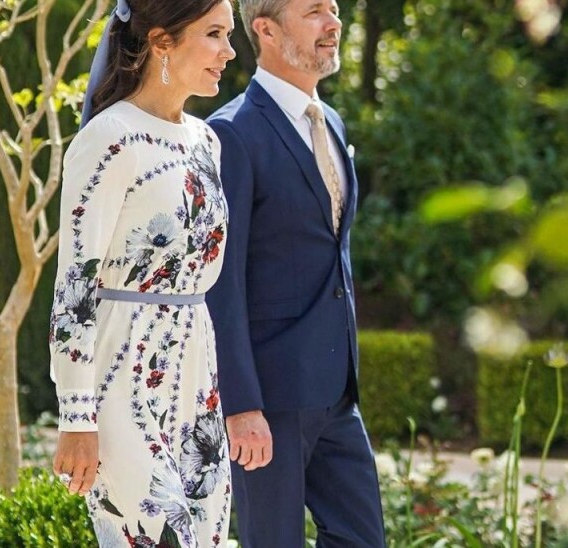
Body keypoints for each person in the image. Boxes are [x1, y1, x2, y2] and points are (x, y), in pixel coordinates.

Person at [49, 0, 237, 545]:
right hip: (121, 377)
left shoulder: (208, 141)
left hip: (196, 375)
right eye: (215, 34)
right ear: (162, 42)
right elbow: (75, 288)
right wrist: (77, 418)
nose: (229, 52)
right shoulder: (109, 138)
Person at [205, 0, 387, 546]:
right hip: (270, 401)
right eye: (314, 12)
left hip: (336, 395)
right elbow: (221, 283)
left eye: (333, 10)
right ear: (265, 29)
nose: (333, 23)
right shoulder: (231, 133)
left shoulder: (330, 121)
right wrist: (240, 406)